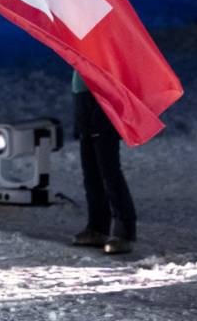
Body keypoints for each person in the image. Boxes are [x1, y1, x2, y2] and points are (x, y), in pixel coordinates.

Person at [71, 71, 136, 255]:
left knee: (109, 170)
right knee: (91, 171)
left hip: (105, 96)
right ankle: (97, 228)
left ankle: (125, 232)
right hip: (84, 96)